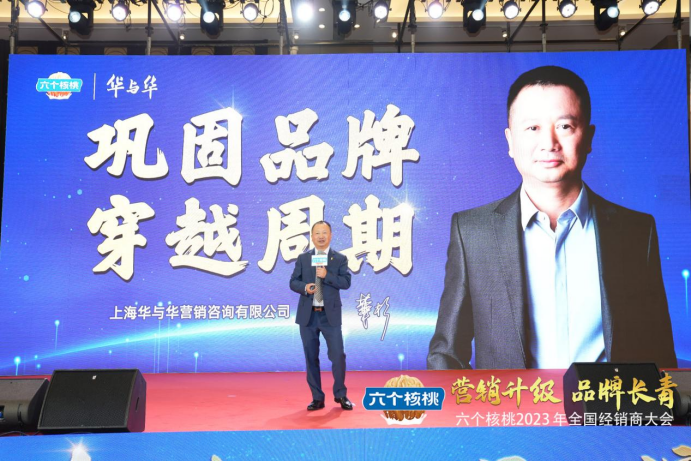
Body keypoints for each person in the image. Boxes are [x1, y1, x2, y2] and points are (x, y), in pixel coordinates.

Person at [427, 65, 676, 370]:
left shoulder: (635, 232)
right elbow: (446, 354)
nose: (549, 143)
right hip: (512, 403)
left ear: (588, 137)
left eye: (565, 126)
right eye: (532, 128)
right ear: (510, 141)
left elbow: (659, 351)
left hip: (606, 403)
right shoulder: (473, 233)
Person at [290, 221, 353, 410]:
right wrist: (305, 287)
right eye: (317, 233)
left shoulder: (339, 259)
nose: (321, 236)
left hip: (329, 316)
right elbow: (293, 282)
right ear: (312, 236)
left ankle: (340, 395)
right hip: (308, 316)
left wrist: (327, 275)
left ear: (331, 235)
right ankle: (317, 398)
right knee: (311, 358)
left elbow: (346, 282)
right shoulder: (303, 258)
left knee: (338, 356)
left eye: (324, 232)